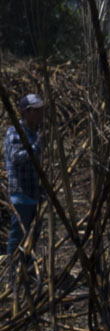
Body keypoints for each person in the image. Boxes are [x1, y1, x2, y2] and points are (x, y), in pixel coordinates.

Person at [5, 93, 45, 259]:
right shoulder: (15, 132)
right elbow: (16, 158)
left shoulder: (34, 133)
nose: (40, 114)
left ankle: (26, 273)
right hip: (21, 195)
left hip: (34, 193)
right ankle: (13, 275)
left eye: (40, 110)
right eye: (35, 111)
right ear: (24, 112)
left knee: (32, 237)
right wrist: (36, 146)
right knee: (18, 238)